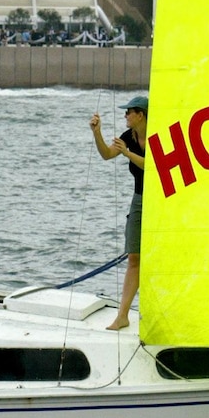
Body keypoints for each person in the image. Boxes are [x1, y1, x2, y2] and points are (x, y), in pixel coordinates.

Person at [90, 95, 148, 330]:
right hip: (139, 200)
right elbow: (106, 154)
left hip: (161, 200)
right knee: (133, 257)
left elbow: (152, 164)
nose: (125, 115)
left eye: (128, 112)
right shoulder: (128, 137)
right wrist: (97, 133)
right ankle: (122, 315)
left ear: (140, 114)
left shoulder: (158, 134)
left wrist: (127, 153)